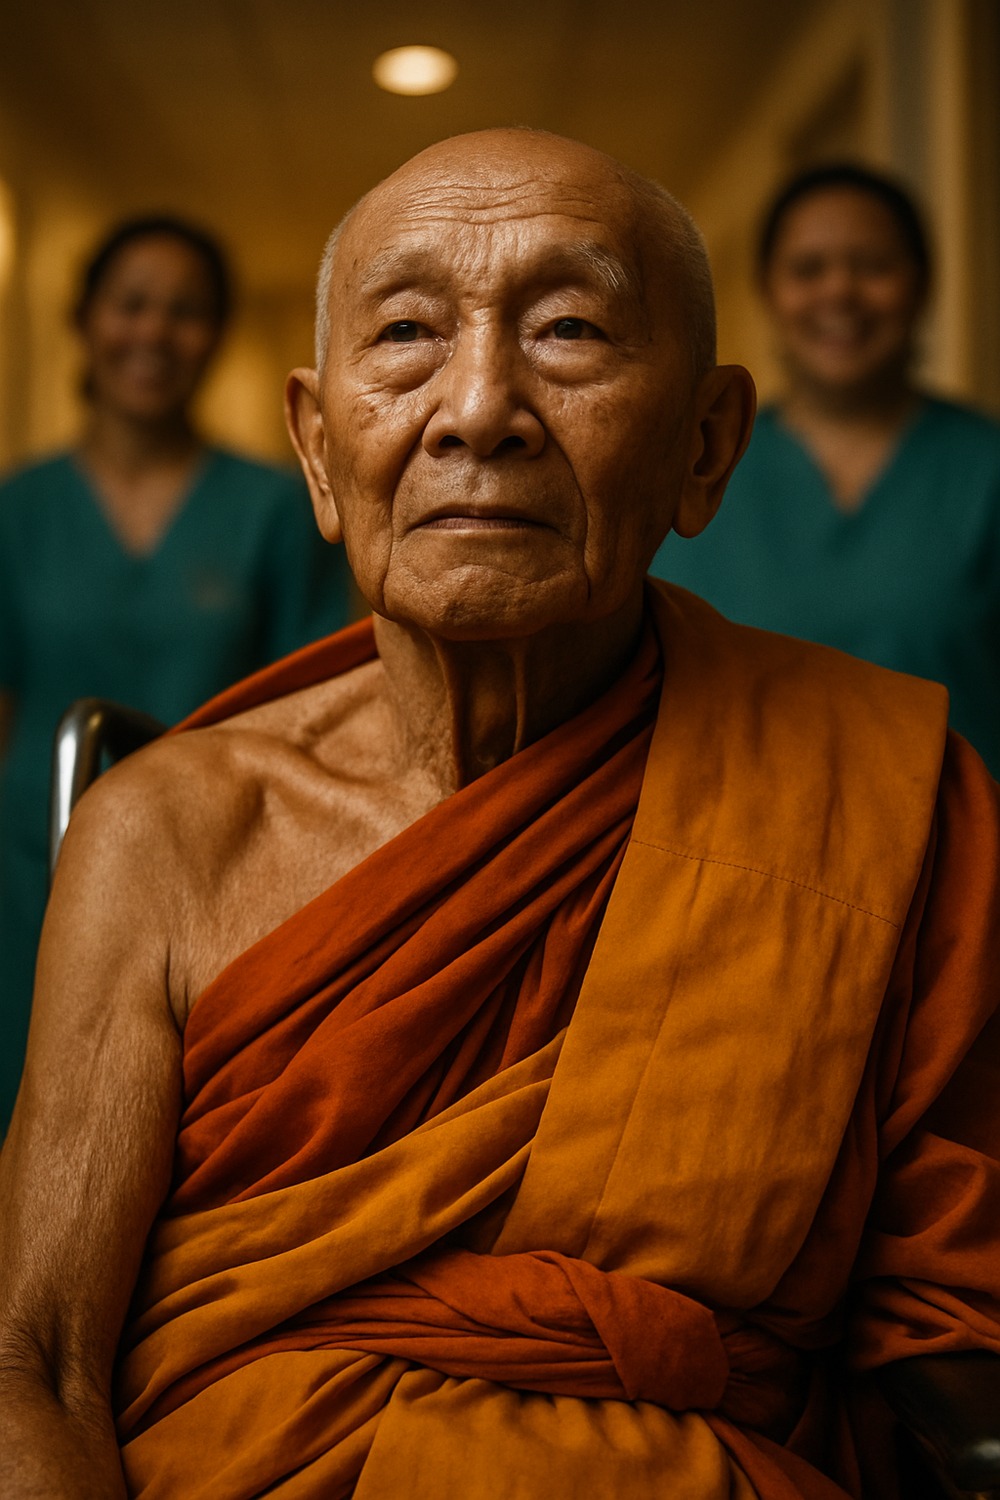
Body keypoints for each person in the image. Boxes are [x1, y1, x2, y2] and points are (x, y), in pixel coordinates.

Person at [0, 129, 998, 1500]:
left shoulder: (876, 794)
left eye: (572, 329)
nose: (479, 407)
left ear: (708, 447)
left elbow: (953, 1315)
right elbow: (34, 1366)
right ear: (314, 443)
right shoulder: (165, 833)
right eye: (405, 333)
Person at [0, 215, 353, 1128]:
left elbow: (315, 714)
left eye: (186, 312)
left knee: (174, 1130)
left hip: (215, 877)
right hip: (27, 874)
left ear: (216, 336)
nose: (154, 332)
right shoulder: (18, 511)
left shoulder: (276, 510)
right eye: (132, 305)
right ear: (85, 319)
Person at [650, 162, 1000, 775]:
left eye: (873, 266)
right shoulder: (695, 468)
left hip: (959, 852)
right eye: (808, 269)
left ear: (922, 284)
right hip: (729, 843)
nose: (839, 291)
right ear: (768, 290)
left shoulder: (984, 471)